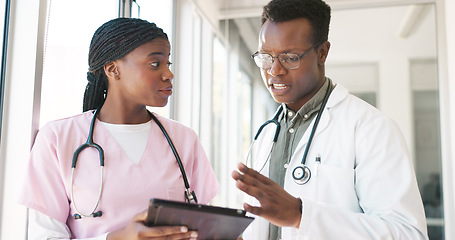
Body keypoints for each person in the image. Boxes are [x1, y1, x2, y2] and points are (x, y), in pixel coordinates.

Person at [231, 0, 429, 239]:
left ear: (322, 52)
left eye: (290, 57)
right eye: (266, 56)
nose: (274, 70)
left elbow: (408, 234)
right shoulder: (265, 133)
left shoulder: (371, 128)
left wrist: (302, 216)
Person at [19, 18, 219, 239]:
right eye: (155, 64)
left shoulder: (184, 139)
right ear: (113, 70)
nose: (168, 74)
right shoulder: (57, 139)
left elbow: (203, 227)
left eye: (168, 64)